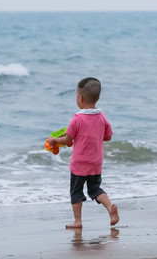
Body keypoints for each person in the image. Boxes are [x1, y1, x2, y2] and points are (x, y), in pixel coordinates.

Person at [48, 77, 119, 229]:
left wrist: (54, 141)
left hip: (79, 164)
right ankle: (110, 206)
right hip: (96, 162)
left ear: (80, 98)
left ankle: (78, 221)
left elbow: (68, 139)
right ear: (98, 98)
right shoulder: (101, 117)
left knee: (76, 191)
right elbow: (108, 136)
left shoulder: (77, 119)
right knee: (95, 189)